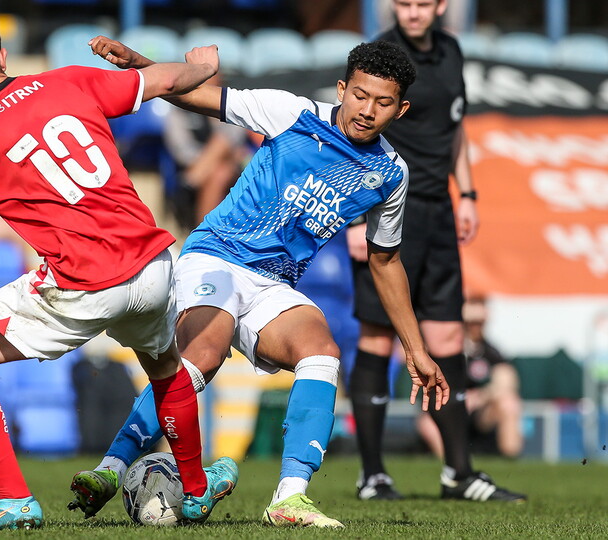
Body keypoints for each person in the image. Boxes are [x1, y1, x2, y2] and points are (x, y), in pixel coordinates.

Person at [0, 11, 237, 530]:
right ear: (2, 56)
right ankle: (195, 491)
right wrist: (202, 67)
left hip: (85, 282)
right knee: (166, 371)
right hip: (152, 265)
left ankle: (13, 498)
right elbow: (163, 79)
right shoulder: (66, 81)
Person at [67, 36, 450, 529]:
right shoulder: (291, 113)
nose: (367, 110)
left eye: (383, 102)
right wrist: (140, 64)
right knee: (203, 354)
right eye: (359, 95)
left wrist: (416, 349)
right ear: (342, 89)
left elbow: (386, 260)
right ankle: (111, 468)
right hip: (217, 256)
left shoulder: (390, 173)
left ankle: (290, 498)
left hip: (274, 284)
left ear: (401, 109)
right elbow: (195, 96)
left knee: (321, 353)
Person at [345, 0, 525, 502]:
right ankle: (372, 475)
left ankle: (459, 473)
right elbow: (355, 131)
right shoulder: (380, 55)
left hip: (439, 211)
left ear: (442, 5)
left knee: (447, 335)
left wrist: (466, 193)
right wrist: (356, 215)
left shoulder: (451, 51)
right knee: (378, 338)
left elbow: (455, 127)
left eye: (422, 3)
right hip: (386, 209)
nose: (412, 12)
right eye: (404, 3)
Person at [417, 296, 523, 458]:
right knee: (427, 424)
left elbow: (507, 382)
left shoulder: (490, 352)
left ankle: (511, 460)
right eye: (472, 323)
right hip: (447, 407)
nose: (475, 327)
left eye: (479, 323)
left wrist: (481, 396)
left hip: (480, 413)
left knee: (509, 403)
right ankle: (452, 465)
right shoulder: (445, 349)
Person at [162, 72, 253, 231]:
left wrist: (213, 114)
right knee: (220, 173)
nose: (206, 82)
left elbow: (235, 138)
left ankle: (191, 183)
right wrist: (207, 161)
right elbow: (180, 147)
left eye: (211, 78)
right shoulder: (181, 109)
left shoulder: (230, 105)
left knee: (222, 144)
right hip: (196, 164)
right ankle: (208, 234)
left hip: (231, 162)